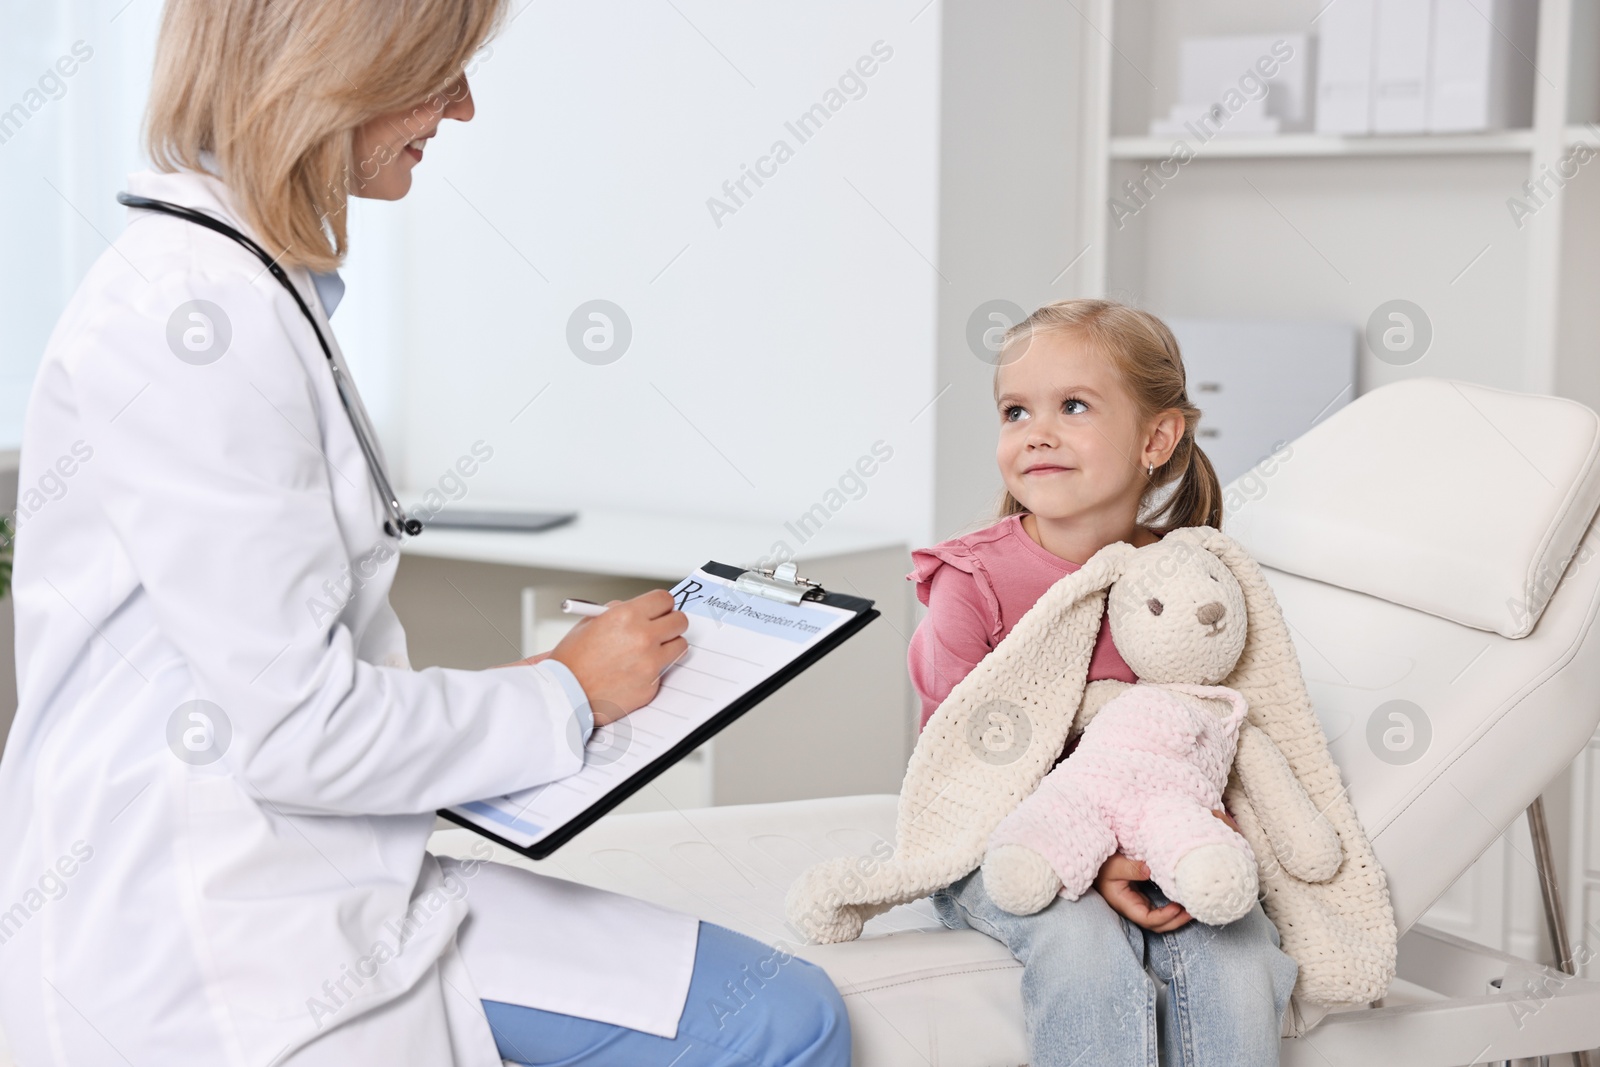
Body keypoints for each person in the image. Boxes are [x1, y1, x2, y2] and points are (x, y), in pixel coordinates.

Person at [0, 2, 849, 1064]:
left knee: (775, 1005)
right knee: (781, 1019)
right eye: (437, 72)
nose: (462, 106)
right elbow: (299, 730)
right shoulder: (197, 320)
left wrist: (548, 678)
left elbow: (274, 671)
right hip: (212, 938)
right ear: (329, 70)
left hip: (278, 865)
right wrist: (566, 692)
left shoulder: (239, 287)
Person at [907, 299, 1297, 1066]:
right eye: (1016, 411)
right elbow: (957, 771)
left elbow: (1231, 726)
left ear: (1156, 438)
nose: (1037, 432)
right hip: (997, 835)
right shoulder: (974, 582)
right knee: (1084, 950)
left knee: (1242, 952)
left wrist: (1189, 843)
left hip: (1160, 836)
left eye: (1073, 405)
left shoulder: (1192, 582)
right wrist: (1096, 858)